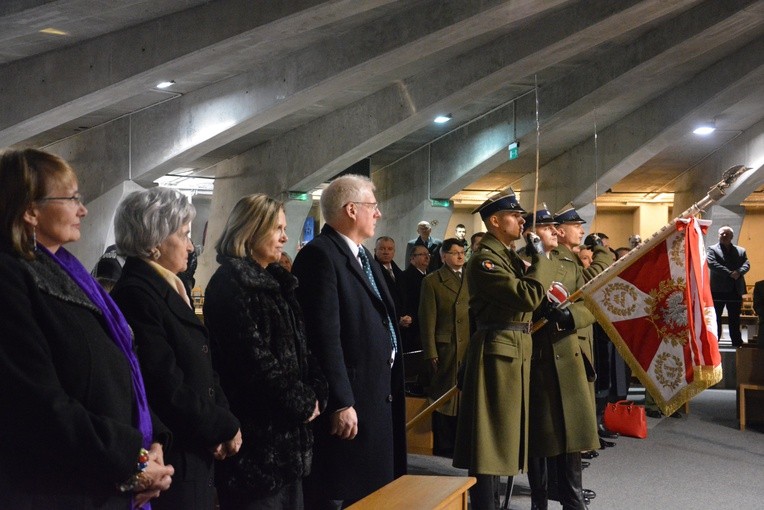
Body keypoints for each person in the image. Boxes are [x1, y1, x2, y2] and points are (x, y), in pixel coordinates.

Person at [0, 148, 174, 509]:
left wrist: (152, 441)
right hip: (57, 487)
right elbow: (38, 403)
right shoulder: (11, 277)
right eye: (72, 199)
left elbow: (119, 366)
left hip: (103, 477)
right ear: (31, 210)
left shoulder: (66, 272)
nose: (83, 209)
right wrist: (133, 460)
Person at [110, 188, 242, 510]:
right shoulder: (138, 295)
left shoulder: (170, 286)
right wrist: (222, 425)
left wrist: (224, 420)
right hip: (175, 457)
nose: (190, 245)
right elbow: (164, 386)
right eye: (183, 235)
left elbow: (204, 366)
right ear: (154, 242)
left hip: (197, 450)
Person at [203, 194, 327, 509]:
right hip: (258, 444)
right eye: (278, 229)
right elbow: (254, 363)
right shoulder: (231, 284)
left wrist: (317, 392)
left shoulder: (277, 282)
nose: (286, 237)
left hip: (287, 441)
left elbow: (302, 348)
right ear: (251, 230)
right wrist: (302, 401)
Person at [291, 175, 406, 508]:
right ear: (351, 210)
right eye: (373, 206)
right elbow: (324, 338)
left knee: (376, 495)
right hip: (353, 403)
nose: (379, 214)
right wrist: (341, 401)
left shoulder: (363, 256)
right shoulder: (320, 256)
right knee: (347, 493)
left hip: (377, 395)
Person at [452, 191, 557, 510]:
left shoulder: (507, 255)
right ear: (495, 221)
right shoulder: (485, 259)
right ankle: (485, 505)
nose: (523, 220)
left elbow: (536, 295)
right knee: (490, 441)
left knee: (505, 436)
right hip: (497, 352)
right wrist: (541, 258)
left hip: (513, 349)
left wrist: (534, 253)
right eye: (516, 216)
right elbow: (527, 297)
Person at [521, 206, 600, 510]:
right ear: (530, 231)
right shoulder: (520, 261)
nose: (555, 231)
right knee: (540, 438)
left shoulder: (568, 262)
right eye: (547, 227)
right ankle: (538, 501)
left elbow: (590, 302)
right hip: (536, 357)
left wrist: (570, 316)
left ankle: (573, 500)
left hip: (568, 355)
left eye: (556, 226)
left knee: (573, 432)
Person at [419, 238, 470, 457]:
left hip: (467, 343)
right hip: (446, 345)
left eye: (462, 252)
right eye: (455, 252)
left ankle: (461, 443)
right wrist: (430, 350)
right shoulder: (433, 281)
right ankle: (444, 444)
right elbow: (427, 318)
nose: (460, 256)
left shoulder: (471, 278)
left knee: (464, 395)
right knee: (444, 397)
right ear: (443, 256)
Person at [707, 225, 749, 347]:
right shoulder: (712, 249)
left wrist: (739, 272)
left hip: (735, 289)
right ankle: (714, 343)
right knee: (716, 318)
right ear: (718, 235)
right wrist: (730, 273)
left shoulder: (741, 250)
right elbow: (712, 264)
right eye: (722, 234)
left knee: (735, 318)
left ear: (732, 236)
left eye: (727, 234)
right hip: (718, 290)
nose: (724, 236)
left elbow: (747, 264)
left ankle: (737, 342)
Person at [374, 235, 407, 325]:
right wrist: (396, 319)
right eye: (382, 249)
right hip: (384, 322)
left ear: (394, 252)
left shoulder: (400, 273)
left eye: (390, 249)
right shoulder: (371, 273)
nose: (386, 252)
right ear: (375, 251)